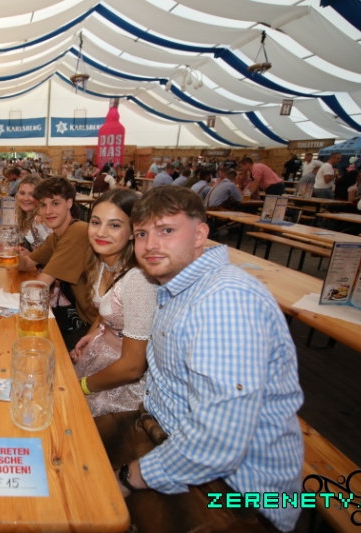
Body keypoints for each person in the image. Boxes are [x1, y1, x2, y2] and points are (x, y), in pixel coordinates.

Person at [115, 186, 304, 533]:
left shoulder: (224, 300)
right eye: (141, 234)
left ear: (200, 234)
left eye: (166, 230)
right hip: (165, 432)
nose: (150, 244)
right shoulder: (180, 284)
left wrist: (128, 477)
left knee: (95, 495)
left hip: (238, 493)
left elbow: (218, 442)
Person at [72, 189, 157, 417]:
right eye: (95, 222)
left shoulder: (138, 280)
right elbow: (107, 307)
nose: (101, 232)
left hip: (123, 376)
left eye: (115, 225)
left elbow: (133, 367)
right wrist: (93, 334)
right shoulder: (104, 261)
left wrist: (83, 387)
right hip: (102, 353)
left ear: (132, 232)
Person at [18, 177, 99, 350]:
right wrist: (10, 252)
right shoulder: (56, 236)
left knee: (42, 350)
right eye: (43, 205)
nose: (48, 211)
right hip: (81, 316)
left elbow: (39, 286)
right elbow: (26, 263)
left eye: (55, 203)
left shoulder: (76, 232)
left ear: (69, 202)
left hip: (97, 325)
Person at [15, 175, 52, 252]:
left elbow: (53, 252)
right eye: (22, 193)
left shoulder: (40, 219)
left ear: (41, 197)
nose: (25, 198)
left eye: (31, 194)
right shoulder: (22, 216)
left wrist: (30, 256)